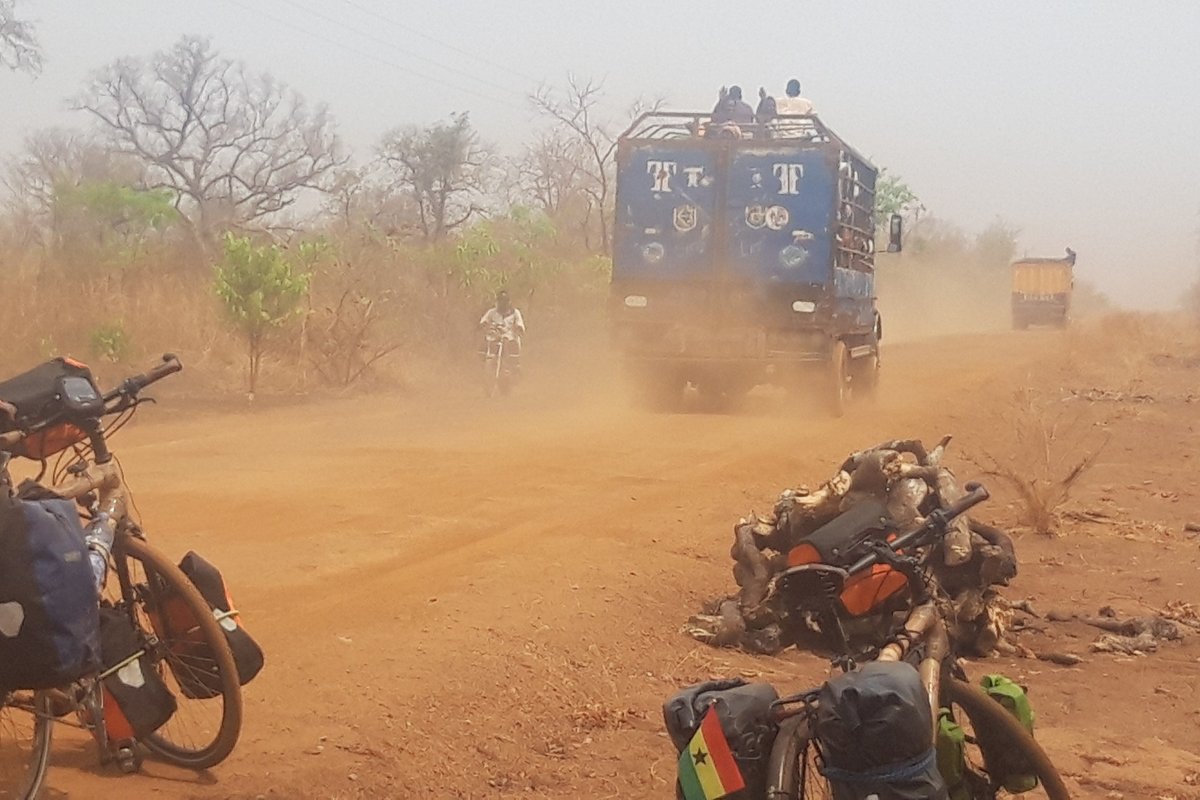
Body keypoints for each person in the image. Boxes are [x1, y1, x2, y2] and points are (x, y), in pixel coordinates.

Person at [479, 290, 525, 363]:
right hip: (494, 339)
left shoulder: (515, 313)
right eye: (500, 301)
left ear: (509, 302)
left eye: (504, 301)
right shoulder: (491, 312)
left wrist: (517, 329)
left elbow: (520, 327)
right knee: (484, 349)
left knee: (509, 346)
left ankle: (512, 366)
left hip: (510, 341)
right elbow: (483, 323)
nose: (502, 303)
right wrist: (487, 327)